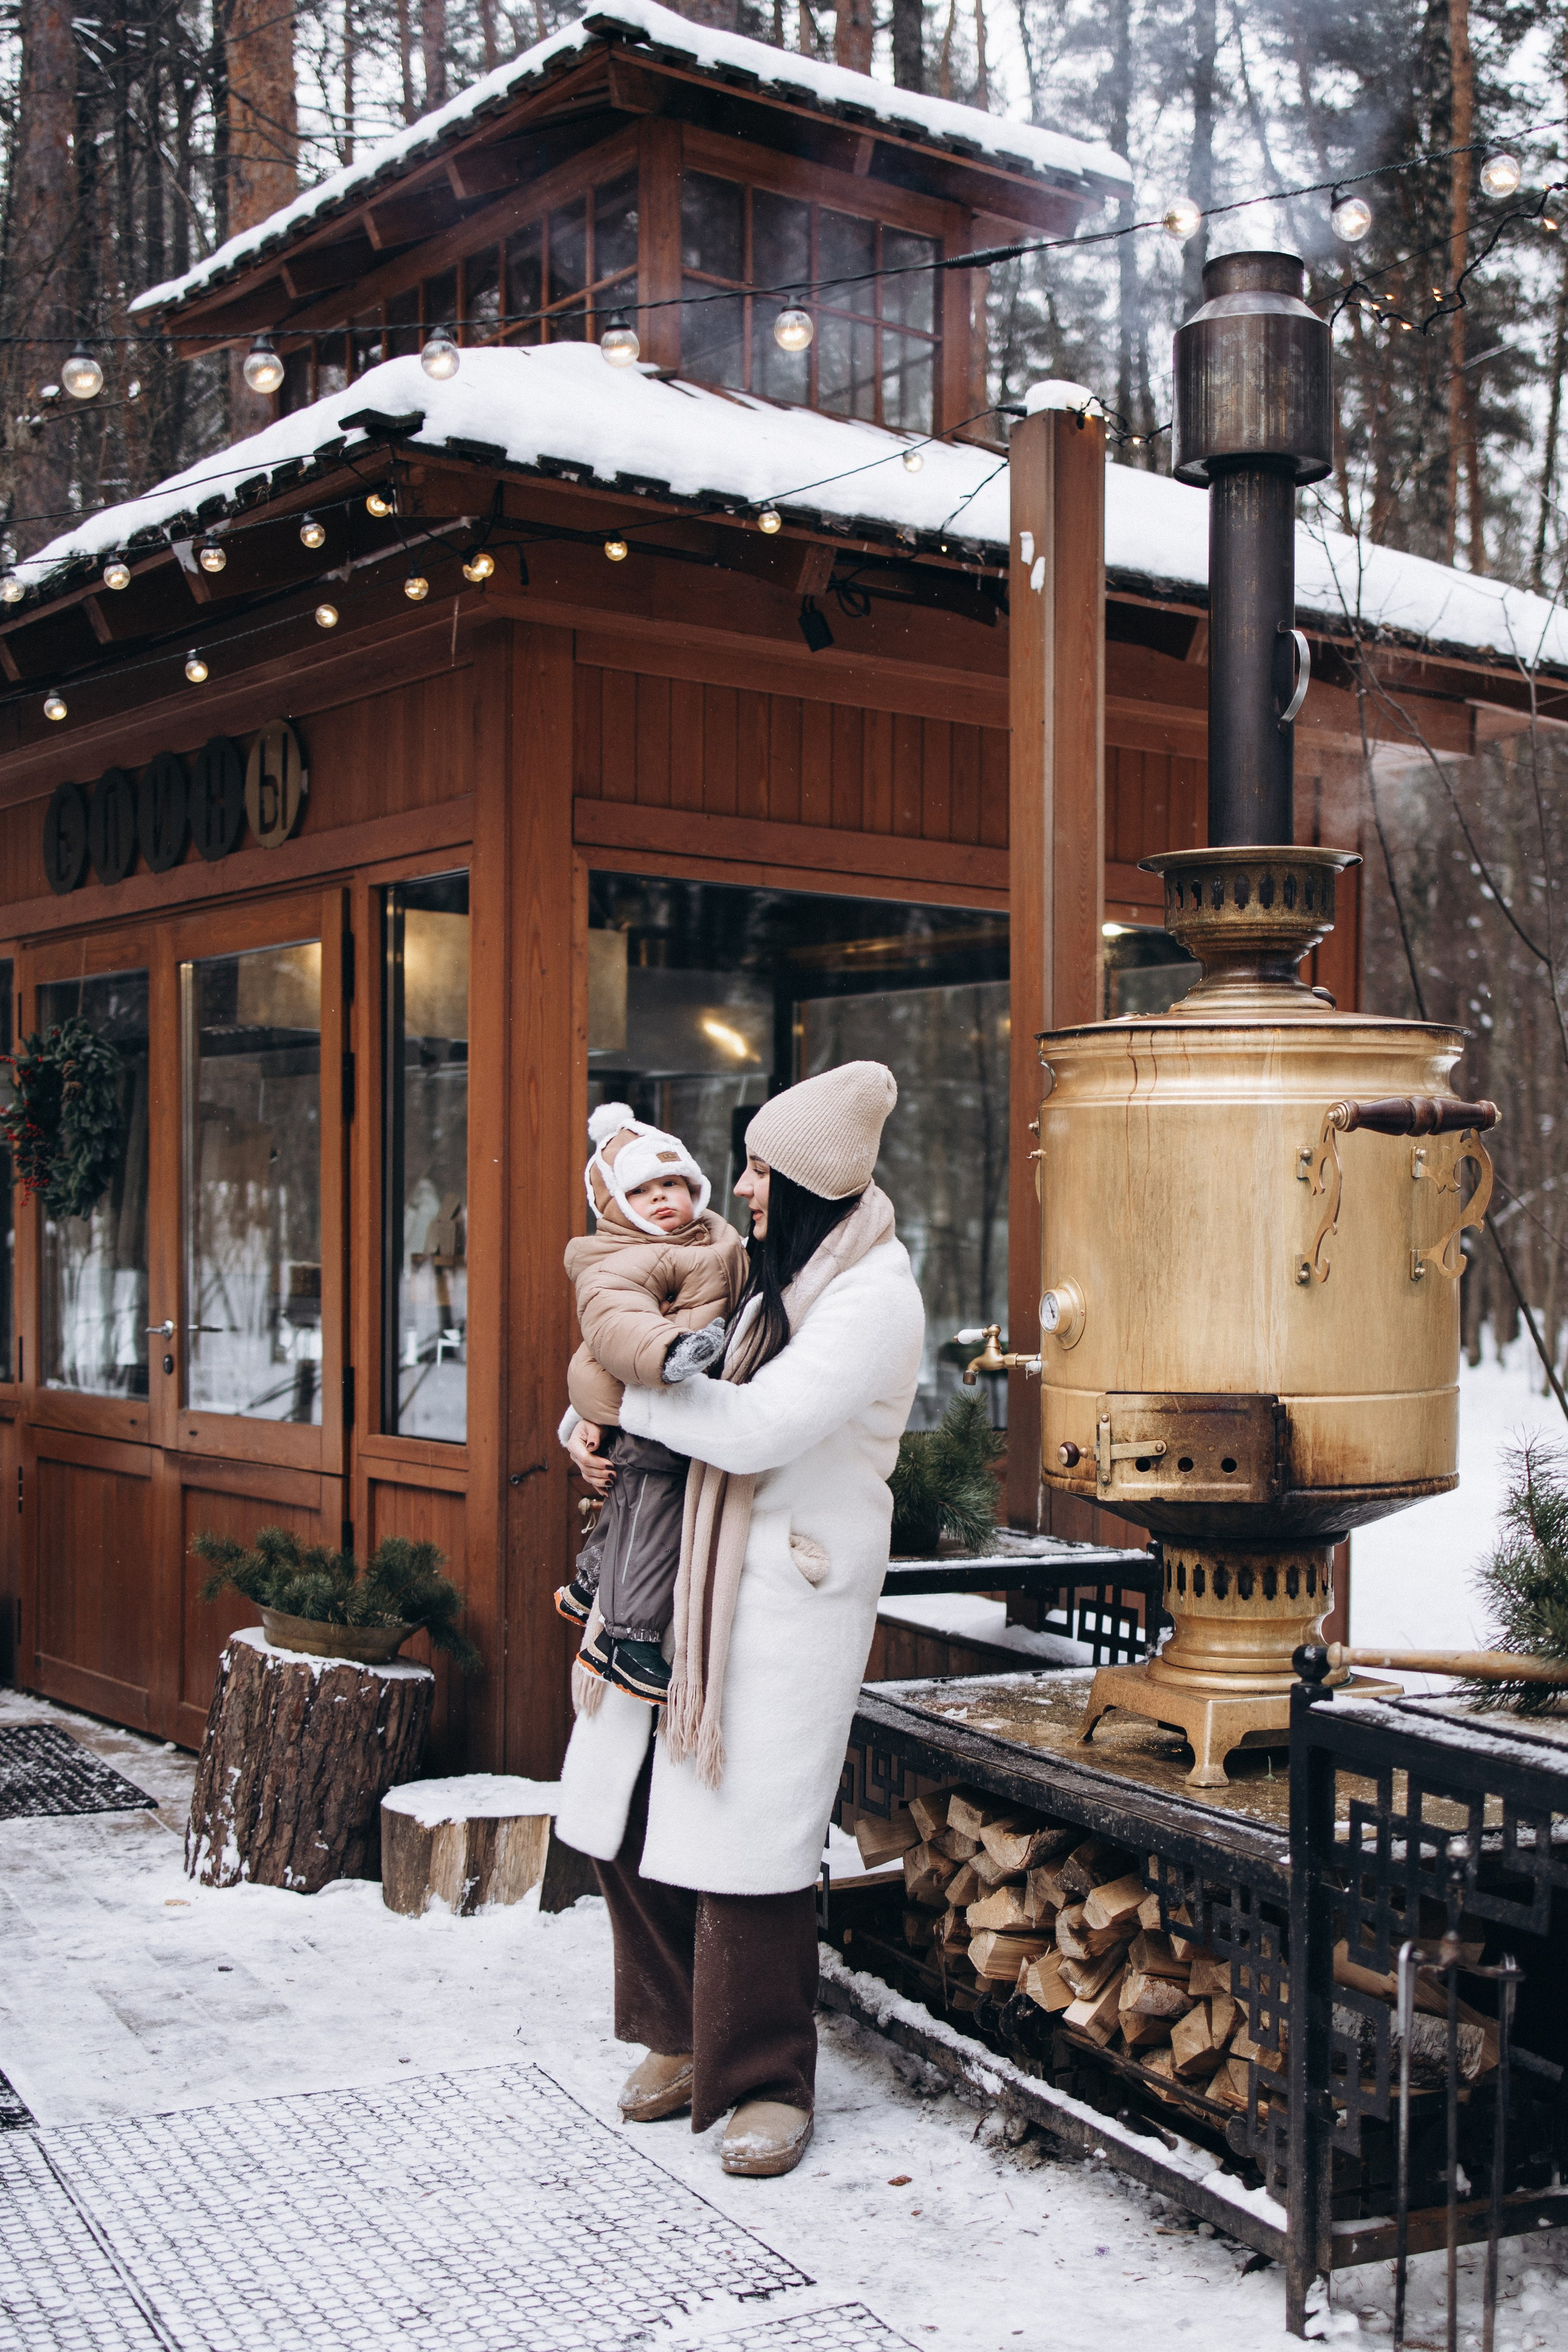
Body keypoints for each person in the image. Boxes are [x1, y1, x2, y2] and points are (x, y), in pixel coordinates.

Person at [554, 1061, 925, 2178]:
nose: (741, 1185)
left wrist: (630, 1401)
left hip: (784, 1598)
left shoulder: (872, 1293)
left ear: (806, 1181)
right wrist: (588, 1425)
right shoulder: (771, 1266)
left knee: (753, 1850)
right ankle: (677, 2033)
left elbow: (761, 1425)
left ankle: (767, 2083)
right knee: (622, 1816)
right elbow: (642, 1332)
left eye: (761, 1168)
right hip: (680, 1589)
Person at [556, 1104, 749, 1702]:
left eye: (673, 1183)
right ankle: (627, 1639)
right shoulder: (622, 1259)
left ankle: (589, 1582)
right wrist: (672, 1352)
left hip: (664, 1400)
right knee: (650, 1513)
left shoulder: (715, 1239)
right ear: (615, 1205)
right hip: (647, 1402)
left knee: (631, 1509)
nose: (663, 1197)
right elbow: (617, 1324)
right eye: (641, 1190)